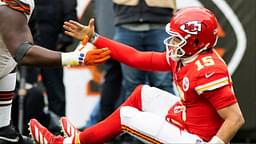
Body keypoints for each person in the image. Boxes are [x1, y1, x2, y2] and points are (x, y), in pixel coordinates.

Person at [29, 7, 245, 144]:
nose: (172, 43)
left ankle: (66, 143)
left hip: (196, 139)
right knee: (142, 93)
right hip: (190, 120)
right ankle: (83, 138)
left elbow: (235, 119)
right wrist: (94, 37)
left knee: (127, 116)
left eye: (178, 39)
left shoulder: (207, 70)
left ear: (197, 41)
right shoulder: (189, 55)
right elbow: (136, 57)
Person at [0, 0, 111, 143]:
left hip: (7, 64)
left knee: (5, 134)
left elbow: (10, 52)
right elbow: (23, 52)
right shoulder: (10, 7)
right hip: (15, 55)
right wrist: (78, 57)